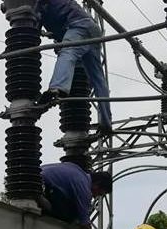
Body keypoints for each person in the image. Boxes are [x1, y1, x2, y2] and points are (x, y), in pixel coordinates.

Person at [34, 0, 113, 133]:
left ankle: (57, 87)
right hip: (92, 29)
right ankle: (106, 122)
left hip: (79, 26)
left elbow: (34, 26)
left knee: (67, 52)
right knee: (98, 79)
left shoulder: (38, 5)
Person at [38, 161, 113, 229]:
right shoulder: (84, 188)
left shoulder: (77, 171)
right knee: (74, 213)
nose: (95, 196)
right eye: (99, 193)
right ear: (97, 184)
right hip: (42, 187)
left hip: (34, 178)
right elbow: (85, 223)